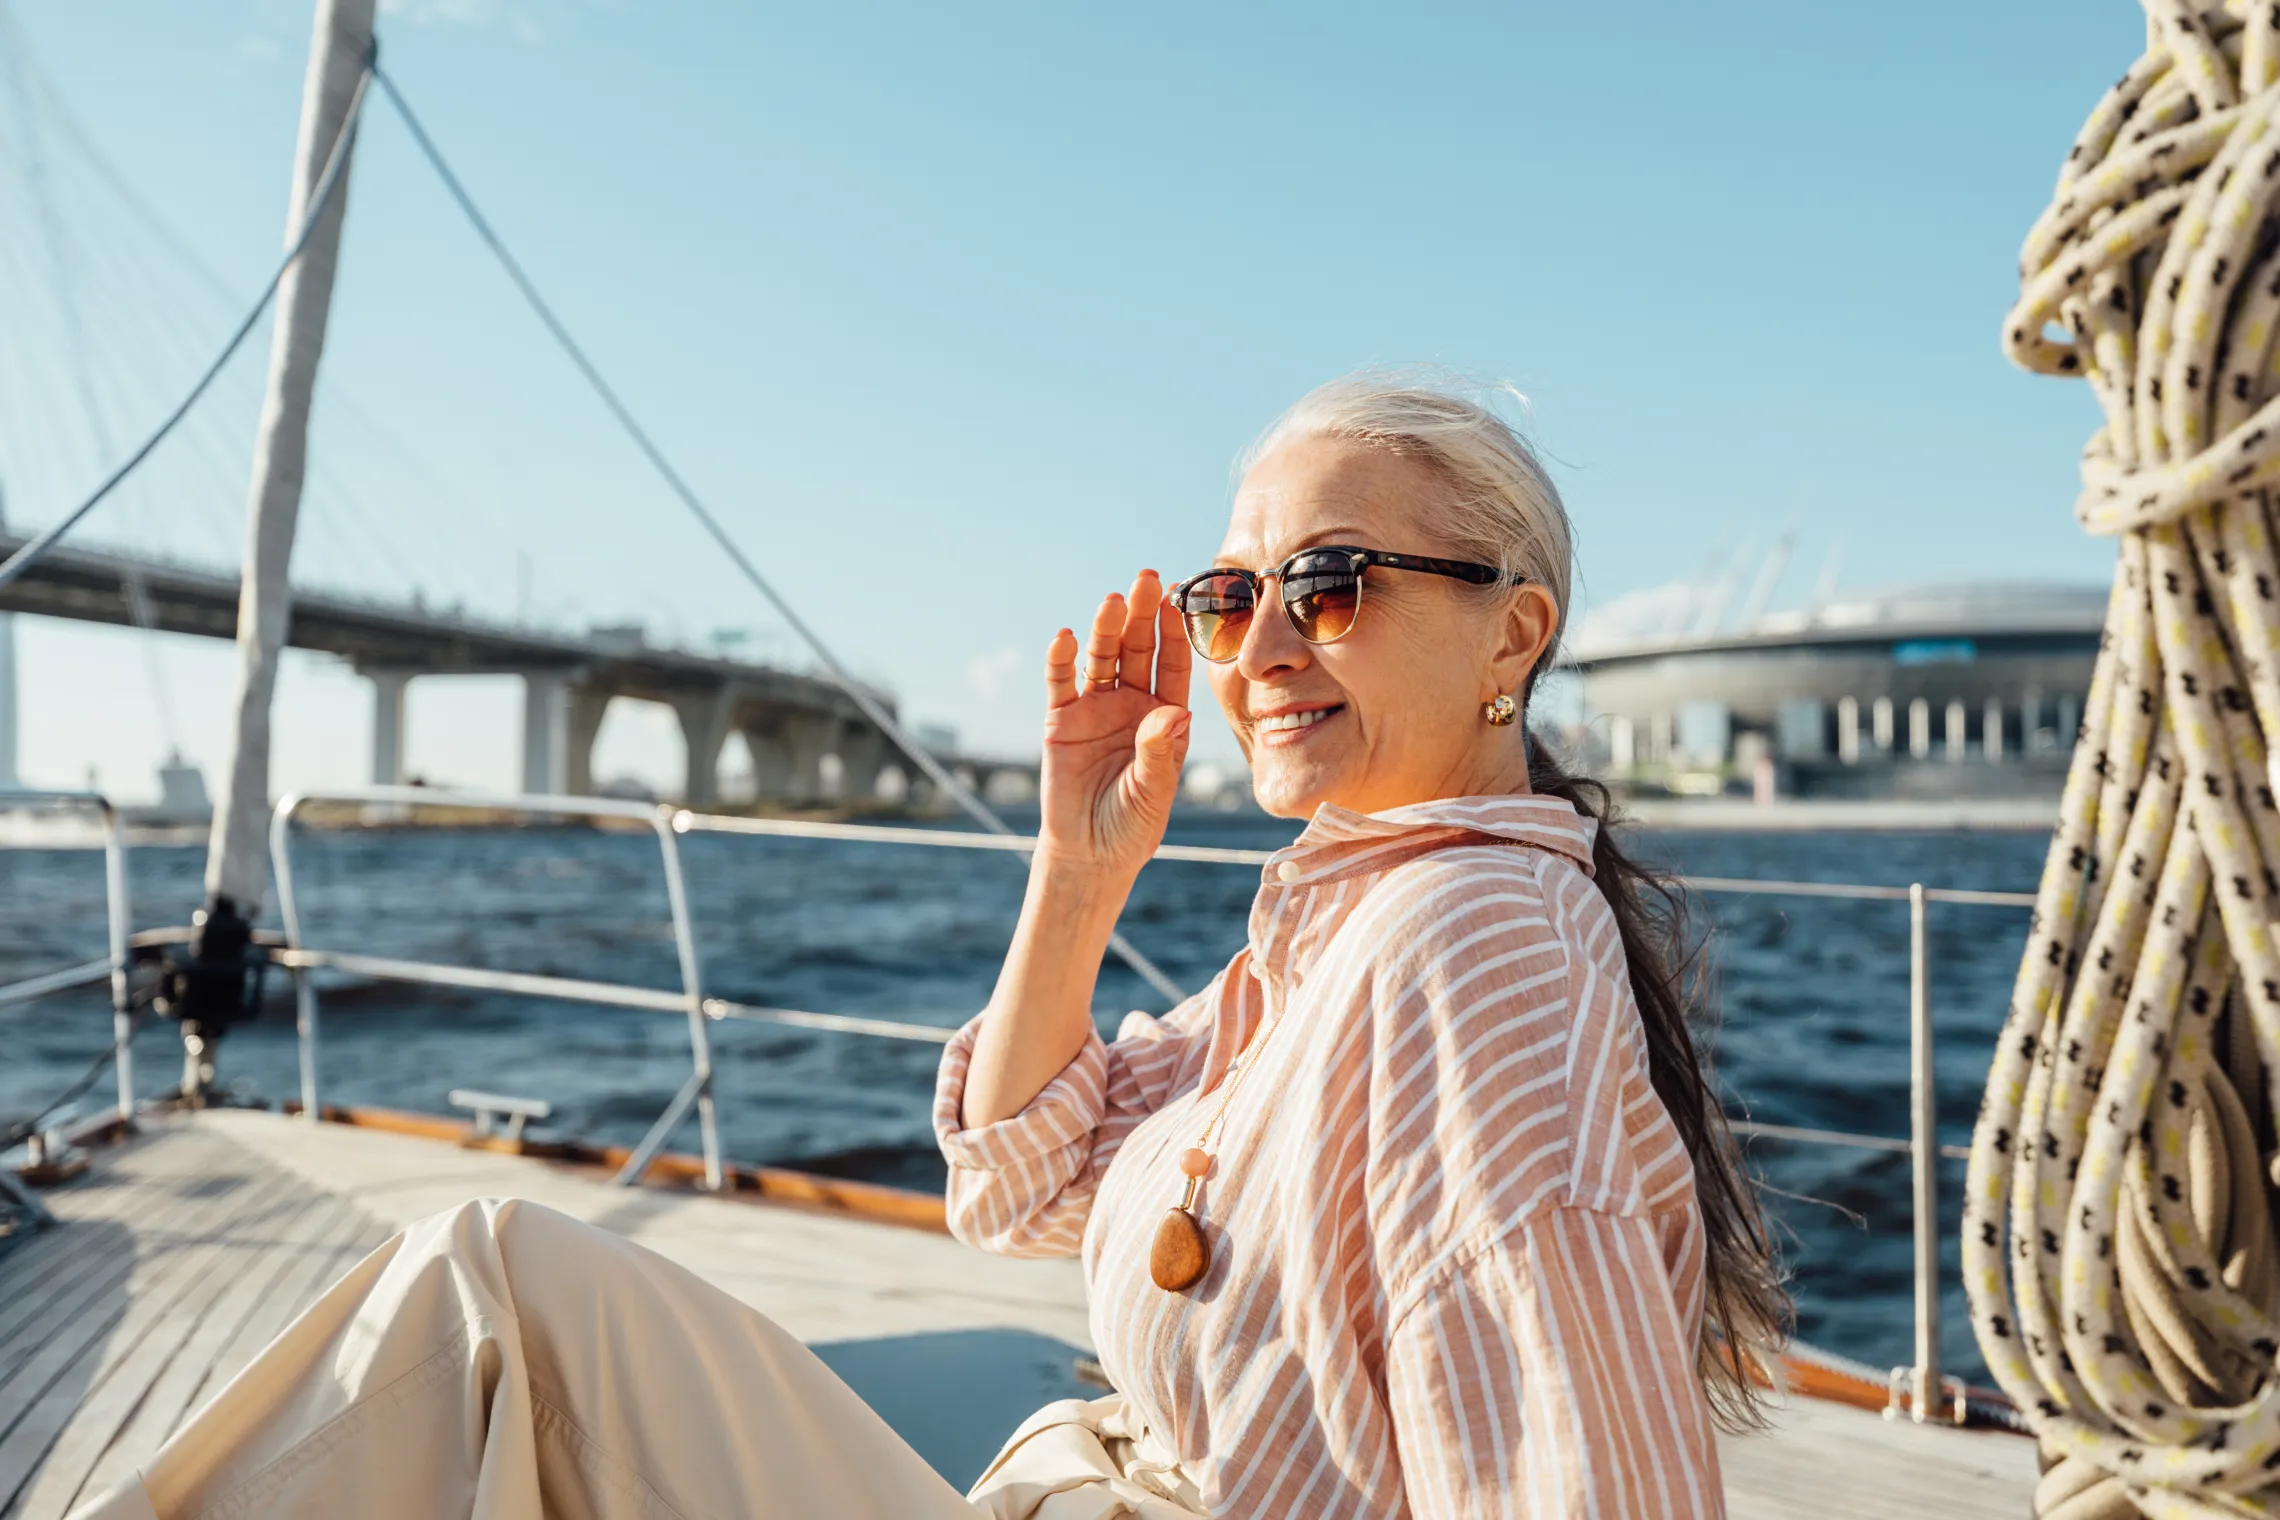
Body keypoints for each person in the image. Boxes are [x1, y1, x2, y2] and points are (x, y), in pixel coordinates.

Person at [72, 371, 1784, 1520]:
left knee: (492, 1299)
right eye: (1230, 594)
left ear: (1518, 633)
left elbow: (1570, 1466)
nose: (1261, 643)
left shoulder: (1466, 938)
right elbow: (1019, 1192)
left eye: (1331, 582)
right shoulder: (1341, 924)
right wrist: (1075, 868)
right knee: (495, 1294)